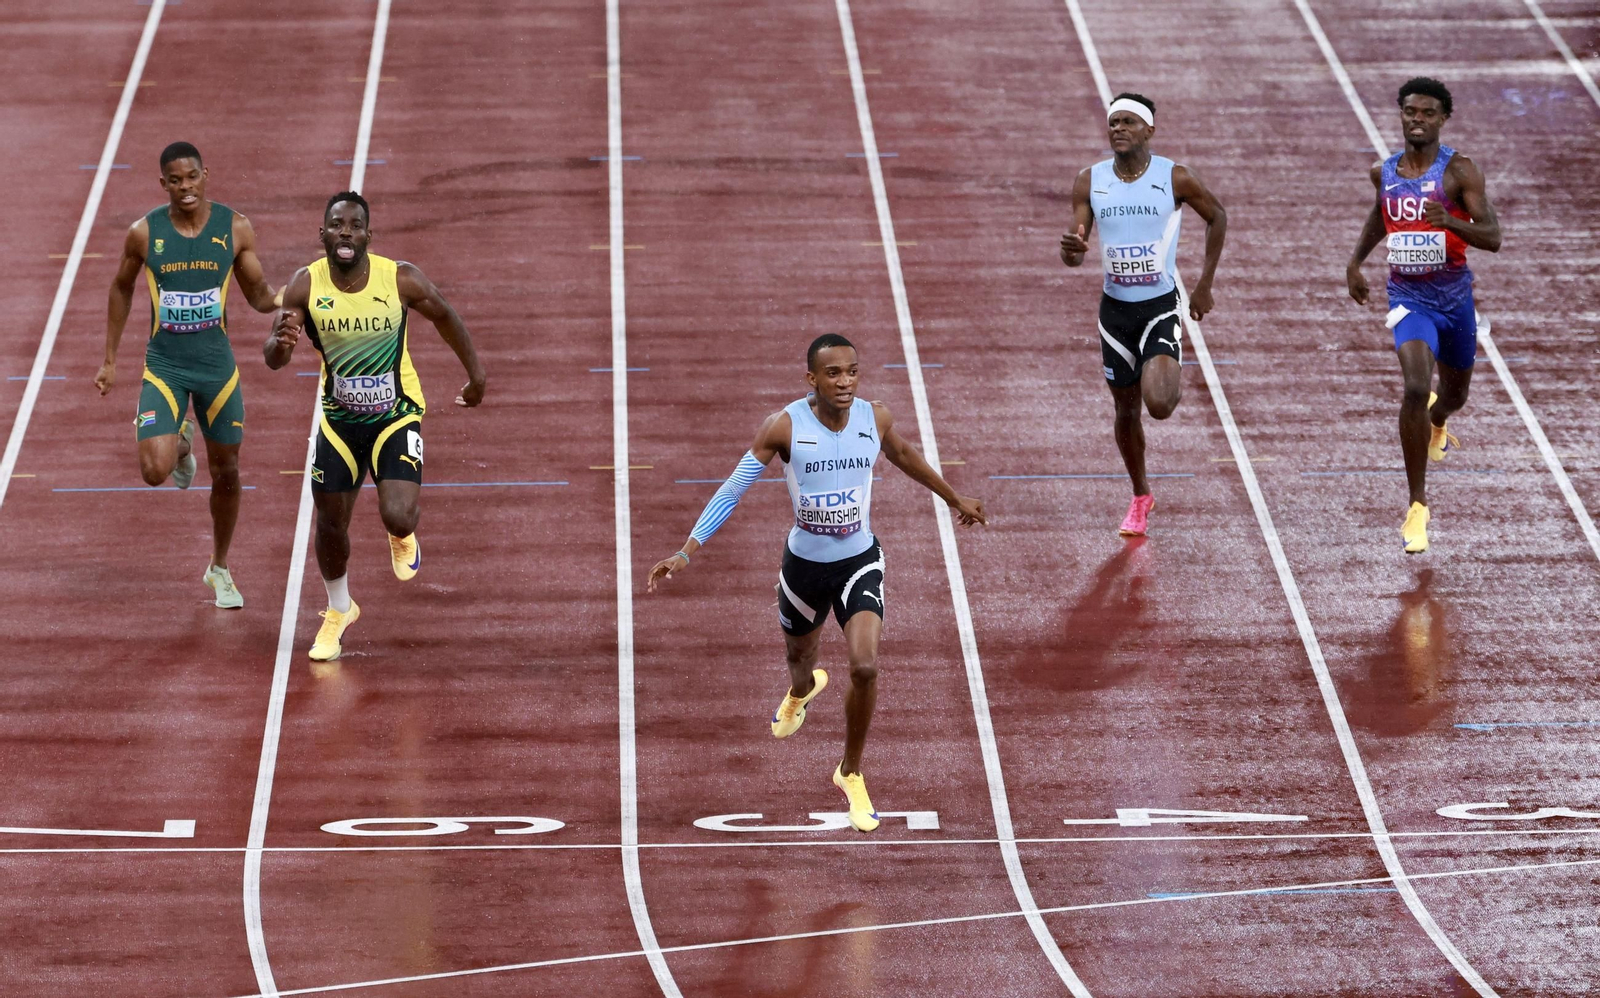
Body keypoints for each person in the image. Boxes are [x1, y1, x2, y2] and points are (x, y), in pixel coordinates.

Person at [646, 334, 987, 832]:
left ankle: (850, 771)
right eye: (833, 373)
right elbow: (733, 488)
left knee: (865, 667)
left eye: (852, 371)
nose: (844, 381)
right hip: (804, 568)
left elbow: (906, 455)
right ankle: (801, 692)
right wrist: (686, 550)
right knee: (801, 663)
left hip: (859, 561)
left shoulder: (876, 417)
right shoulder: (784, 426)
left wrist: (955, 498)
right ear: (812, 379)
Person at [264, 191, 487, 661]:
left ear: (369, 234)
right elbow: (274, 356)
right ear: (322, 233)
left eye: (355, 224)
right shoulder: (305, 284)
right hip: (340, 423)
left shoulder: (399, 278)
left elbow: (444, 315)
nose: (346, 231)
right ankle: (339, 609)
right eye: (337, 224)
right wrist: (281, 345)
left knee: (399, 513)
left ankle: (400, 533)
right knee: (330, 524)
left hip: (396, 413)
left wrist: (476, 375)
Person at [97, 141, 280, 608]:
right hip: (166, 367)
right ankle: (180, 445)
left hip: (217, 369)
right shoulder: (145, 233)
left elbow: (260, 295)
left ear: (205, 175)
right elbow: (120, 289)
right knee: (154, 471)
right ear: (164, 184)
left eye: (192, 177)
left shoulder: (235, 228)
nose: (185, 187)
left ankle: (219, 568)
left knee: (228, 472)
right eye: (175, 180)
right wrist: (111, 359)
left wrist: (293, 301)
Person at [1059, 93, 1228, 537]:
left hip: (1159, 306)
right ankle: (1139, 495)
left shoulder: (1175, 178)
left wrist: (1204, 283)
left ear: (1149, 129)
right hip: (1114, 313)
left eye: (1128, 122)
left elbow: (1218, 217)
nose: (1118, 128)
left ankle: (1166, 359)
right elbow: (1075, 252)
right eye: (1113, 122)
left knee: (1159, 404)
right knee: (1125, 411)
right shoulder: (1089, 181)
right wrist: (1073, 252)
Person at [1346, 77, 1501, 553]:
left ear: (1442, 119)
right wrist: (1355, 261)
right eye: (1410, 111)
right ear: (1401, 115)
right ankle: (1417, 506)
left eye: (1427, 113)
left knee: (1452, 397)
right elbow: (1382, 213)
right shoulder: (1384, 170)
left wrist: (1451, 220)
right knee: (1415, 385)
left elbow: (1493, 236)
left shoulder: (1460, 171)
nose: (1418, 119)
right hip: (1408, 297)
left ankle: (1440, 420)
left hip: (1455, 301)